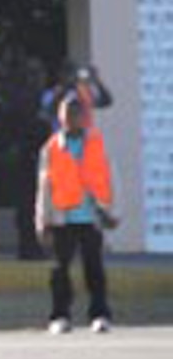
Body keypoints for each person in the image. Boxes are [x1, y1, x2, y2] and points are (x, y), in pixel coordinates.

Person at [36, 95, 118, 334]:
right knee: (59, 271)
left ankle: (100, 314)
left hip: (91, 218)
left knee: (94, 269)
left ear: (84, 117)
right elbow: (44, 187)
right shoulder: (51, 148)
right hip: (62, 218)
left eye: (77, 113)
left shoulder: (97, 144)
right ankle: (60, 316)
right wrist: (42, 220)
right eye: (67, 114)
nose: (72, 119)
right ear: (60, 118)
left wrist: (111, 211)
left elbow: (110, 179)